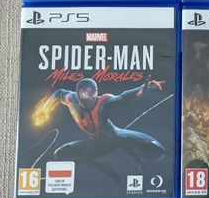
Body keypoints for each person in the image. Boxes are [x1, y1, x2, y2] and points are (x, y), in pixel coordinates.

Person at [32, 77, 165, 183]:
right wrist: (45, 109)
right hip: (97, 144)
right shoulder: (71, 99)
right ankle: (103, 166)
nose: (88, 99)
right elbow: (58, 93)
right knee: (60, 154)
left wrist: (143, 88)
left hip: (116, 137)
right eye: (84, 94)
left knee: (158, 150)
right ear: (79, 93)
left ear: (96, 92)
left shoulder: (103, 102)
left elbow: (122, 97)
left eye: (92, 94)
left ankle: (132, 152)